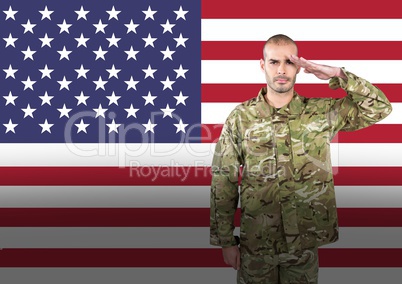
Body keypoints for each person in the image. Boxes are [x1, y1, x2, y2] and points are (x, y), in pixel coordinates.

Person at [210, 34, 392, 284]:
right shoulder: (241, 117)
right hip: (256, 245)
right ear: (262, 65)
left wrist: (339, 74)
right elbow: (224, 180)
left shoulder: (321, 111)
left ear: (300, 67)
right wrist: (225, 241)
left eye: (289, 62)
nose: (281, 70)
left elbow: (380, 107)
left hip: (303, 244)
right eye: (274, 62)